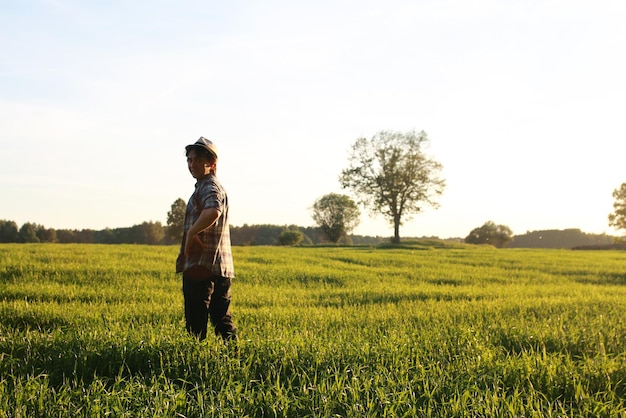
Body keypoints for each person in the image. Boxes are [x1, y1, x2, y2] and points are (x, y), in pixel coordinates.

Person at [176, 137, 237, 342]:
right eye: (189, 160)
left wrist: (192, 233)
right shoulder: (208, 186)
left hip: (201, 265)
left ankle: (195, 365)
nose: (191, 164)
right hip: (221, 267)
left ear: (212, 163)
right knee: (221, 318)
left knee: (196, 321)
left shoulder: (208, 186)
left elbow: (213, 211)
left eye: (196, 160)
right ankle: (235, 360)